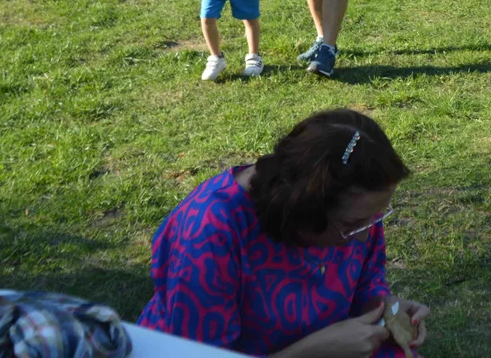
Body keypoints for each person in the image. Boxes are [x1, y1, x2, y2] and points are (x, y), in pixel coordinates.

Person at [138, 107, 428, 355]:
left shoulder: (354, 210)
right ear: (304, 210)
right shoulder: (211, 233)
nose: (365, 236)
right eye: (353, 226)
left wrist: (381, 308)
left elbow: (367, 276)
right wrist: (312, 353)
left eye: (375, 217)